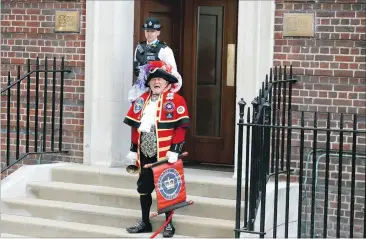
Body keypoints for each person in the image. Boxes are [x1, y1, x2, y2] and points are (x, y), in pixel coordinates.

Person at [123, 60, 189, 238]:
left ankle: (169, 224)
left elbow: (180, 128)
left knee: (166, 189)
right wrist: (132, 148)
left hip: (165, 155)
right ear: (149, 83)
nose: (156, 82)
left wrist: (175, 149)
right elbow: (135, 128)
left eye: (160, 79)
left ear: (167, 83)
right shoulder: (141, 101)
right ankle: (145, 222)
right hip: (144, 154)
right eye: (153, 79)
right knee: (144, 188)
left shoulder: (176, 100)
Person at [129, 17, 182, 103]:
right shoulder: (139, 48)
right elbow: (136, 69)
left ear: (158, 32)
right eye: (147, 31)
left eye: (152, 31)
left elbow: (173, 73)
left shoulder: (165, 50)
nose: (149, 34)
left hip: (158, 89)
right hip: (141, 89)